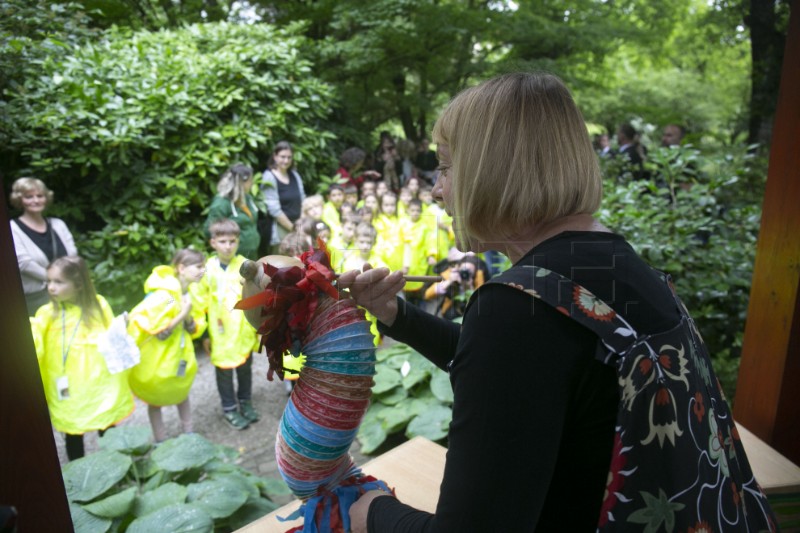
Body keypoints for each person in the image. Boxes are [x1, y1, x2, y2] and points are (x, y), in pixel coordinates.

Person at [341, 72, 775, 532]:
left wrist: (369, 510)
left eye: (446, 168)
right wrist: (394, 314)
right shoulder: (617, 264)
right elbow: (524, 375)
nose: (436, 189)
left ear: (494, 170)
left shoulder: (515, 311)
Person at [30, 256, 134, 460]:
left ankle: (113, 467)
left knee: (107, 425)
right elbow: (35, 343)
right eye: (48, 281)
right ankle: (79, 476)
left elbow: (111, 338)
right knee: (73, 430)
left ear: (78, 285)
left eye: (58, 282)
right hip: (68, 387)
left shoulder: (98, 306)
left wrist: (121, 326)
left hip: (100, 383)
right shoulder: (46, 314)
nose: (51, 287)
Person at [128, 249, 207, 442]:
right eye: (198, 266)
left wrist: (187, 316)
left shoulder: (191, 292)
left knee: (181, 390)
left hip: (180, 352)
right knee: (156, 398)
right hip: (159, 356)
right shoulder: (167, 294)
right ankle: (160, 440)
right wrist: (183, 313)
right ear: (181, 268)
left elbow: (192, 326)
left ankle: (188, 433)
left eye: (203, 266)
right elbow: (161, 331)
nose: (203, 271)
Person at [193, 219, 259, 431]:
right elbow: (197, 299)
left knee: (245, 368)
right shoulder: (206, 269)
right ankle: (229, 408)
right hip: (219, 332)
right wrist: (203, 333)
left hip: (242, 329)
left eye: (232, 241)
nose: (228, 246)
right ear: (213, 243)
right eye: (223, 241)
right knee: (224, 371)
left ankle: (246, 402)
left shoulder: (245, 265)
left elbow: (257, 294)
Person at [9, 178, 77, 315]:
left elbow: (73, 255)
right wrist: (60, 280)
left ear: (46, 199)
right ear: (19, 200)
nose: (35, 200)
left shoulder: (58, 224)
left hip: (69, 294)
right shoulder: (12, 228)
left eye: (40, 196)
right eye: (29, 197)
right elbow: (23, 263)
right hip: (36, 299)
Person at [204, 164, 260, 260]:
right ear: (241, 183)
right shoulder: (221, 203)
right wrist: (227, 245)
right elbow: (209, 230)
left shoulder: (247, 198)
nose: (252, 183)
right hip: (232, 256)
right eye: (250, 180)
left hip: (251, 253)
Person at [261, 141, 306, 255]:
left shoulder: (295, 175)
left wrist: (300, 225)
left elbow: (303, 200)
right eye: (282, 157)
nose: (286, 161)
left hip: (298, 226)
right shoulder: (269, 176)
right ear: (275, 157)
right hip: (280, 228)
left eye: (289, 157)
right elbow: (274, 210)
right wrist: (294, 229)